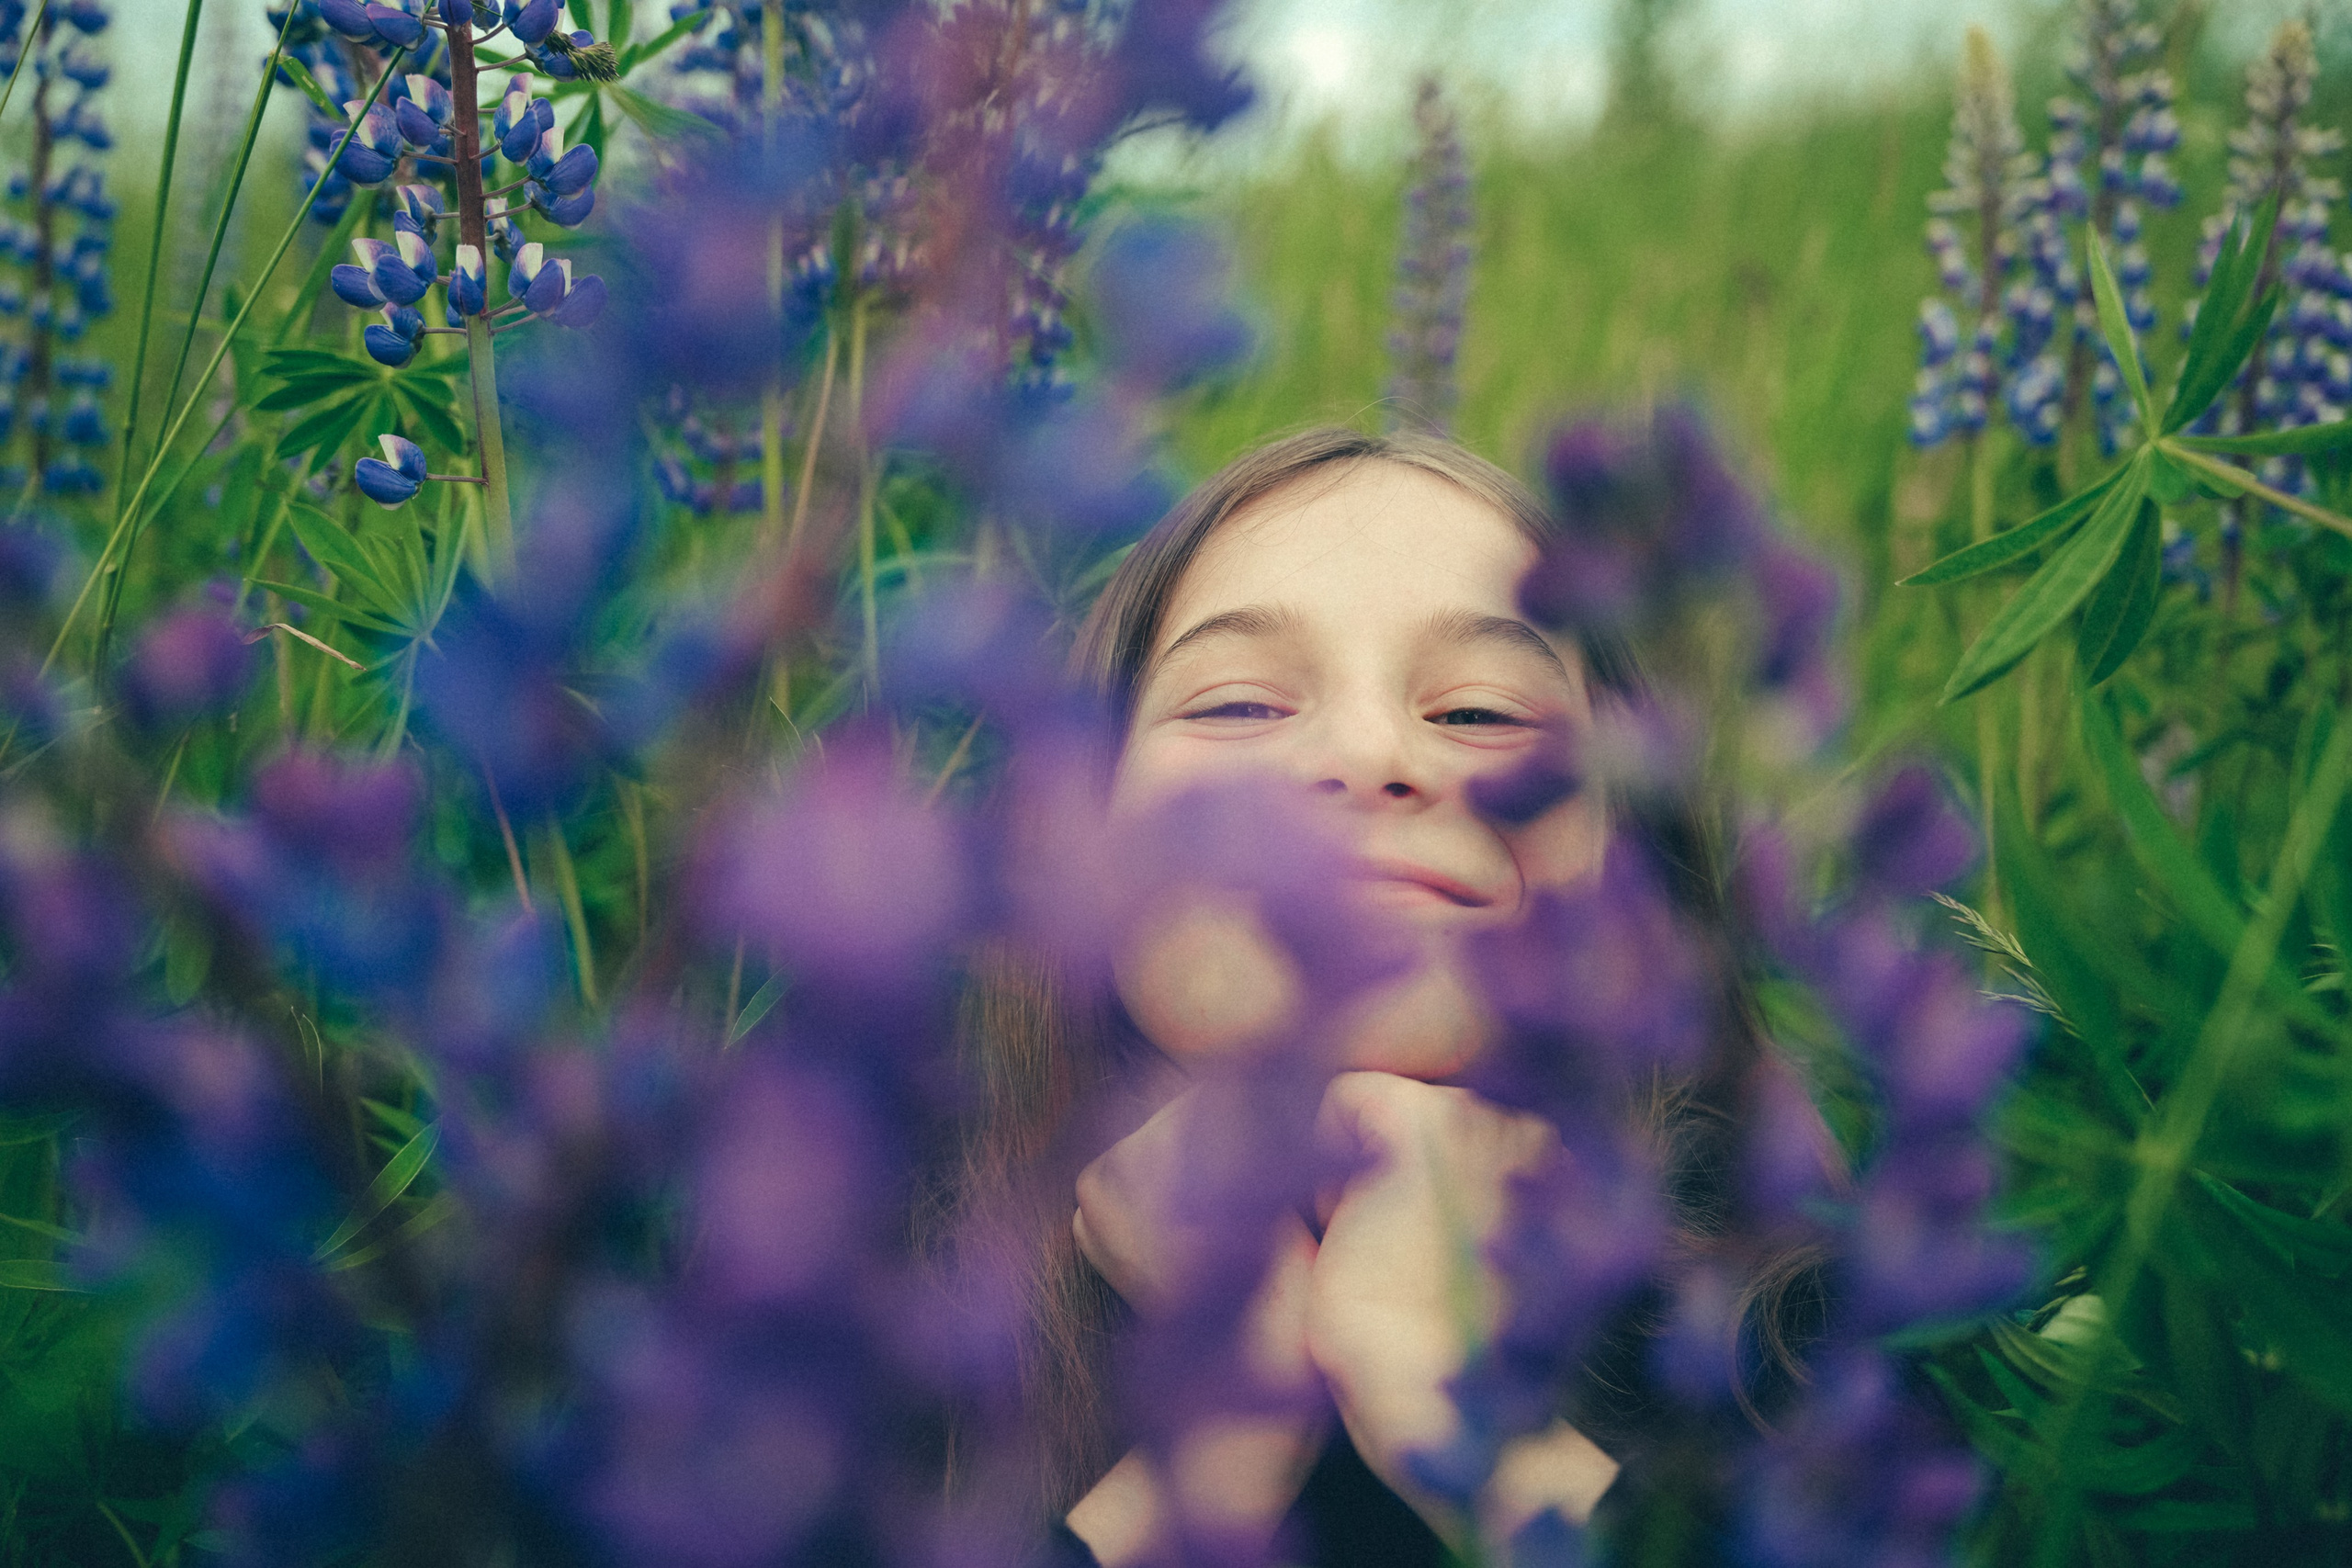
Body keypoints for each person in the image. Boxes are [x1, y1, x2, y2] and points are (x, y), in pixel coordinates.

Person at [944, 427, 1810, 1566]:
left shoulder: (1816, 1340)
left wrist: (1455, 1412)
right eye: (1240, 706)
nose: (1365, 752)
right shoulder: (847, 1315)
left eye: (1483, 712)